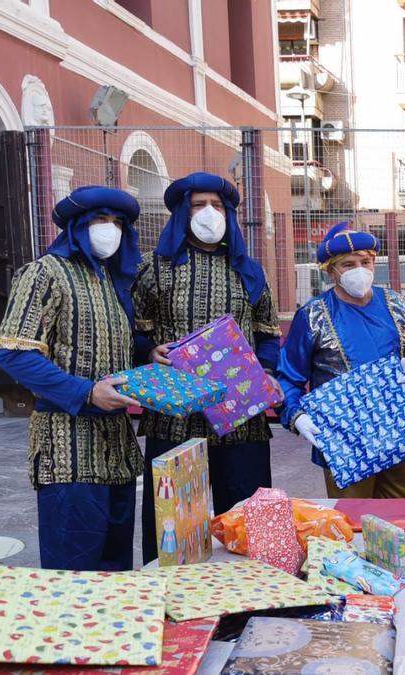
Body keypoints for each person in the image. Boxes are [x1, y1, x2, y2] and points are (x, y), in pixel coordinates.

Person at [133, 172, 282, 564]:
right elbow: (133, 330)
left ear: (230, 214)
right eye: (199, 205)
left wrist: (266, 371)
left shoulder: (249, 271)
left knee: (249, 524)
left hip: (242, 418)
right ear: (182, 212)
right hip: (175, 420)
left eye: (217, 206)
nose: (209, 213)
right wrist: (149, 351)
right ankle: (176, 606)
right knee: (173, 533)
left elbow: (268, 333)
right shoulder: (154, 268)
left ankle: (251, 605)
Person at [0, 186, 144, 571]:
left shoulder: (114, 283)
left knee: (116, 573)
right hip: (68, 453)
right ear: (78, 226)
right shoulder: (44, 273)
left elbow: (112, 348)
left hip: (118, 452)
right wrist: (87, 392)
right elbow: (16, 353)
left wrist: (150, 354)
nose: (110, 230)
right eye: (100, 220)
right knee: (71, 578)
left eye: (117, 223)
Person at [278, 221, 405, 498]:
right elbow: (288, 375)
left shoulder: (397, 305)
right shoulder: (313, 316)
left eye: (365, 262)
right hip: (343, 441)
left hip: (398, 434)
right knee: (352, 525)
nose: (359, 270)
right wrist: (296, 416)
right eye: (348, 264)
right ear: (331, 271)